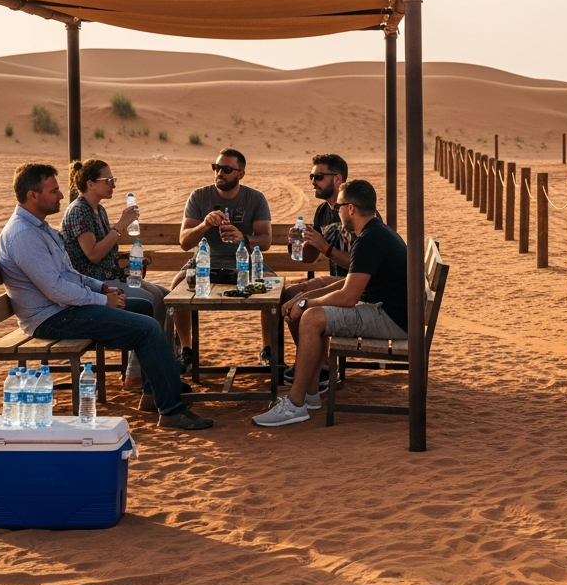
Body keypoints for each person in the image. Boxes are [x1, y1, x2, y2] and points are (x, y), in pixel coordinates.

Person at [0, 163, 212, 430]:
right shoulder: (23, 235)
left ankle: (154, 391)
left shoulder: (39, 228)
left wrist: (100, 288)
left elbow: (69, 273)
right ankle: (171, 410)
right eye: (54, 191)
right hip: (51, 317)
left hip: (64, 307)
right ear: (33, 195)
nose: (61, 195)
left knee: (144, 308)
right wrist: (102, 300)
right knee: (147, 328)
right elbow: (55, 288)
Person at [253, 179, 406, 427]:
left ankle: (295, 404)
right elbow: (348, 282)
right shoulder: (375, 232)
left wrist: (306, 305)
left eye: (340, 207)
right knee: (314, 311)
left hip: (391, 318)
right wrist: (304, 298)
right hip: (391, 311)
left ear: (351, 209)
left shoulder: (368, 241)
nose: (337, 211)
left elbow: (347, 298)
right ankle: (310, 393)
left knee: (312, 318)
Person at [60, 158, 171, 389]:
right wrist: (120, 225)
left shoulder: (98, 210)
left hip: (109, 276)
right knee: (151, 301)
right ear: (91, 184)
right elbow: (93, 255)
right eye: (108, 180)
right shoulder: (79, 211)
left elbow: (106, 252)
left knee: (166, 297)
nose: (113, 185)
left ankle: (161, 366)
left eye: (114, 180)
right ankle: (138, 374)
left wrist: (125, 263)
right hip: (94, 284)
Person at [170, 148, 274, 367]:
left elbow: (265, 241)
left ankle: (268, 349)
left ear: (241, 173)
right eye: (216, 167)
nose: (219, 173)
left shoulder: (255, 198)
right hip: (206, 261)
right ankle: (186, 350)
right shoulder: (199, 196)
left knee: (273, 287)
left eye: (226, 169)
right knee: (177, 285)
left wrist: (243, 237)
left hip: (245, 262)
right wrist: (204, 224)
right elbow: (185, 242)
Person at [278, 153, 352, 388]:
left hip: (353, 284)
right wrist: (298, 244)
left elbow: (360, 265)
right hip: (336, 280)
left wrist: (325, 247)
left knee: (296, 299)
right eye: (311, 176)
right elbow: (309, 259)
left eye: (319, 176)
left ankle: (318, 367)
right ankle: (315, 363)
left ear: (337, 179)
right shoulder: (322, 211)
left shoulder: (354, 209)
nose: (313, 182)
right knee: (290, 295)